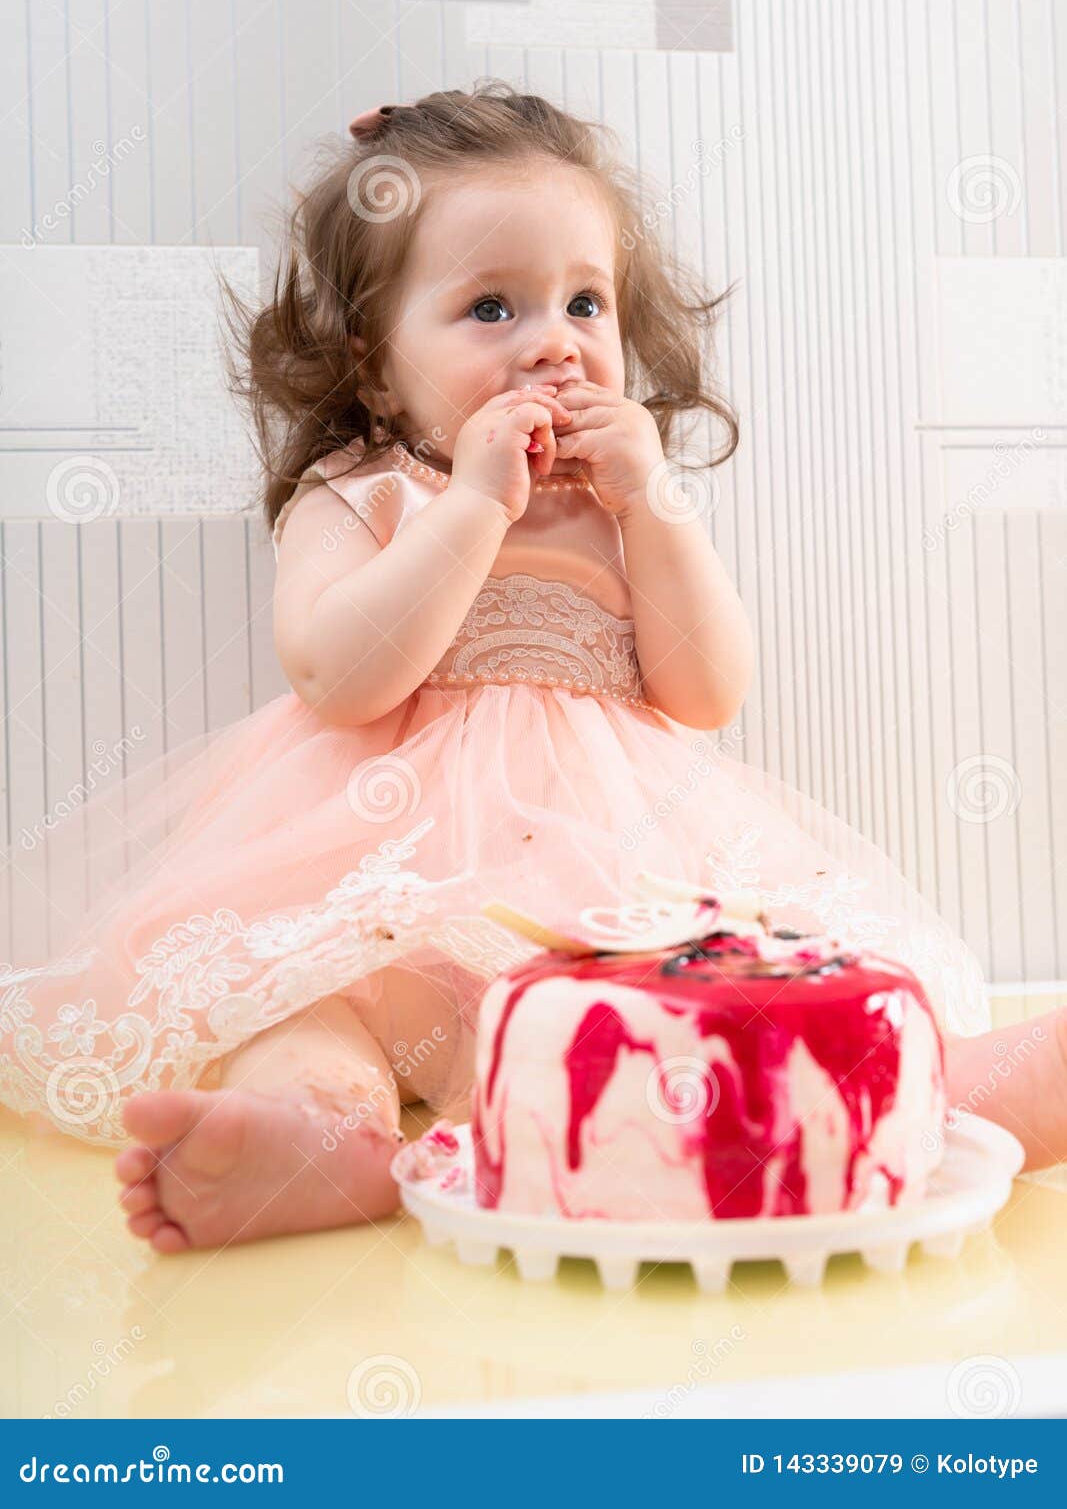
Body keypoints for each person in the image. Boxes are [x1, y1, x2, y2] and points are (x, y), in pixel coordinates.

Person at [1, 83, 1061, 1255]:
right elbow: (340, 680)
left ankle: (949, 1087)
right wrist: (468, 510)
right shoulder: (364, 496)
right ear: (373, 356)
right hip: (380, 883)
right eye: (490, 307)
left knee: (731, 998)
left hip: (613, 875)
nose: (553, 341)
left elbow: (706, 692)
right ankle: (311, 1132)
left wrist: (652, 504)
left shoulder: (617, 514)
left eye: (585, 302)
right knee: (312, 1012)